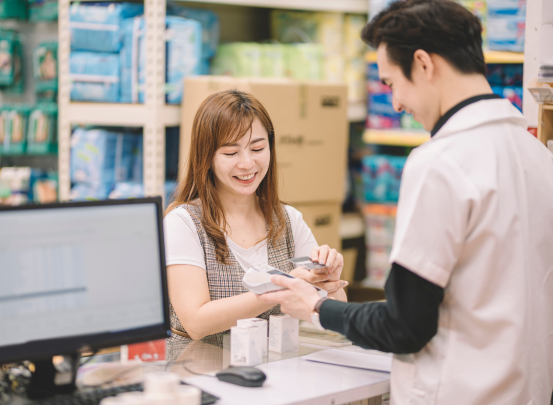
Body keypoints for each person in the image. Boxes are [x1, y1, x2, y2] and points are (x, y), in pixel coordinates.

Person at [258, 0, 553, 404]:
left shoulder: (440, 162)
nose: (395, 104)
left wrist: (315, 306)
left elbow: (405, 325)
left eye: (392, 83)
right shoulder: (537, 155)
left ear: (424, 64)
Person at [164, 89, 348, 342]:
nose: (247, 163)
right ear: (206, 157)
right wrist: (284, 285)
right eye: (230, 153)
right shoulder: (182, 223)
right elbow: (196, 322)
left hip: (276, 371)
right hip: (200, 371)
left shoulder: (288, 220)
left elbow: (334, 321)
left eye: (257, 148)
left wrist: (330, 278)